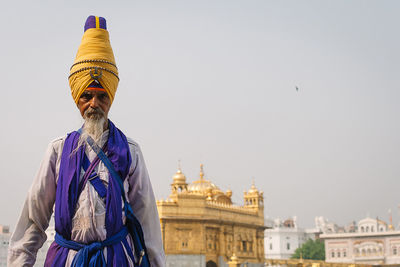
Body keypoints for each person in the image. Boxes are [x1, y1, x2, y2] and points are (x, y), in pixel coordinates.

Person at [8, 15, 166, 267]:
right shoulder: (58, 150)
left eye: (102, 96)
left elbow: (147, 225)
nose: (94, 104)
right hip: (68, 261)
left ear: (110, 99)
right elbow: (33, 219)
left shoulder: (130, 152)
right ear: (77, 99)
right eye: (87, 96)